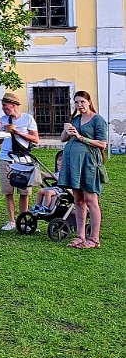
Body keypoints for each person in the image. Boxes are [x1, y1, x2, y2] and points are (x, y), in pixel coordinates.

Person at [58, 90, 107, 249]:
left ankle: (94, 239)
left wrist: (80, 137)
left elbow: (102, 144)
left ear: (89, 102)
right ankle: (80, 236)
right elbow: (63, 139)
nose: (79, 105)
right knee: (78, 200)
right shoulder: (76, 119)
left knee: (91, 200)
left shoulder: (97, 119)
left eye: (82, 102)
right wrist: (67, 129)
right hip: (74, 165)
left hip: (88, 163)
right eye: (77, 102)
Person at [0, 91, 40, 231]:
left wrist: (17, 132)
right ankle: (11, 221)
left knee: (24, 192)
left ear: (13, 105)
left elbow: (36, 139)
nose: (3, 108)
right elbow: (1, 141)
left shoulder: (27, 119)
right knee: (8, 191)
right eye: (2, 105)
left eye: (5, 105)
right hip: (5, 158)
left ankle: (23, 221)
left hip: (22, 159)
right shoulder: (3, 119)